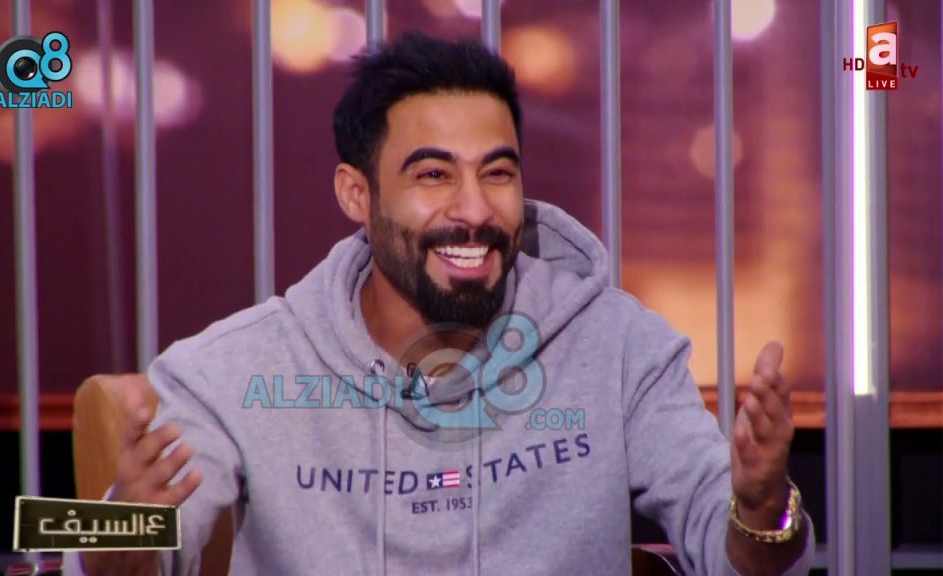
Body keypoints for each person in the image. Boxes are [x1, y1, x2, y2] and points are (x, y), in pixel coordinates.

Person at [77, 32, 814, 575]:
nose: (474, 210)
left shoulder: (618, 346)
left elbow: (741, 554)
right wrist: (120, 536)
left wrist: (761, 509)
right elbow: (129, 557)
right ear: (357, 195)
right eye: (433, 175)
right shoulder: (236, 370)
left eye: (497, 173)